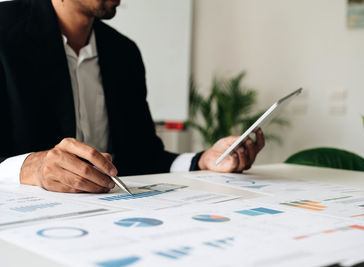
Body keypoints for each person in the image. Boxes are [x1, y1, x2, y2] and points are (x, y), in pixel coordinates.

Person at [0, 0, 265, 193]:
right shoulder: (4, 30)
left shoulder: (123, 52)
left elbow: (143, 156)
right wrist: (31, 168)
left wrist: (204, 160)